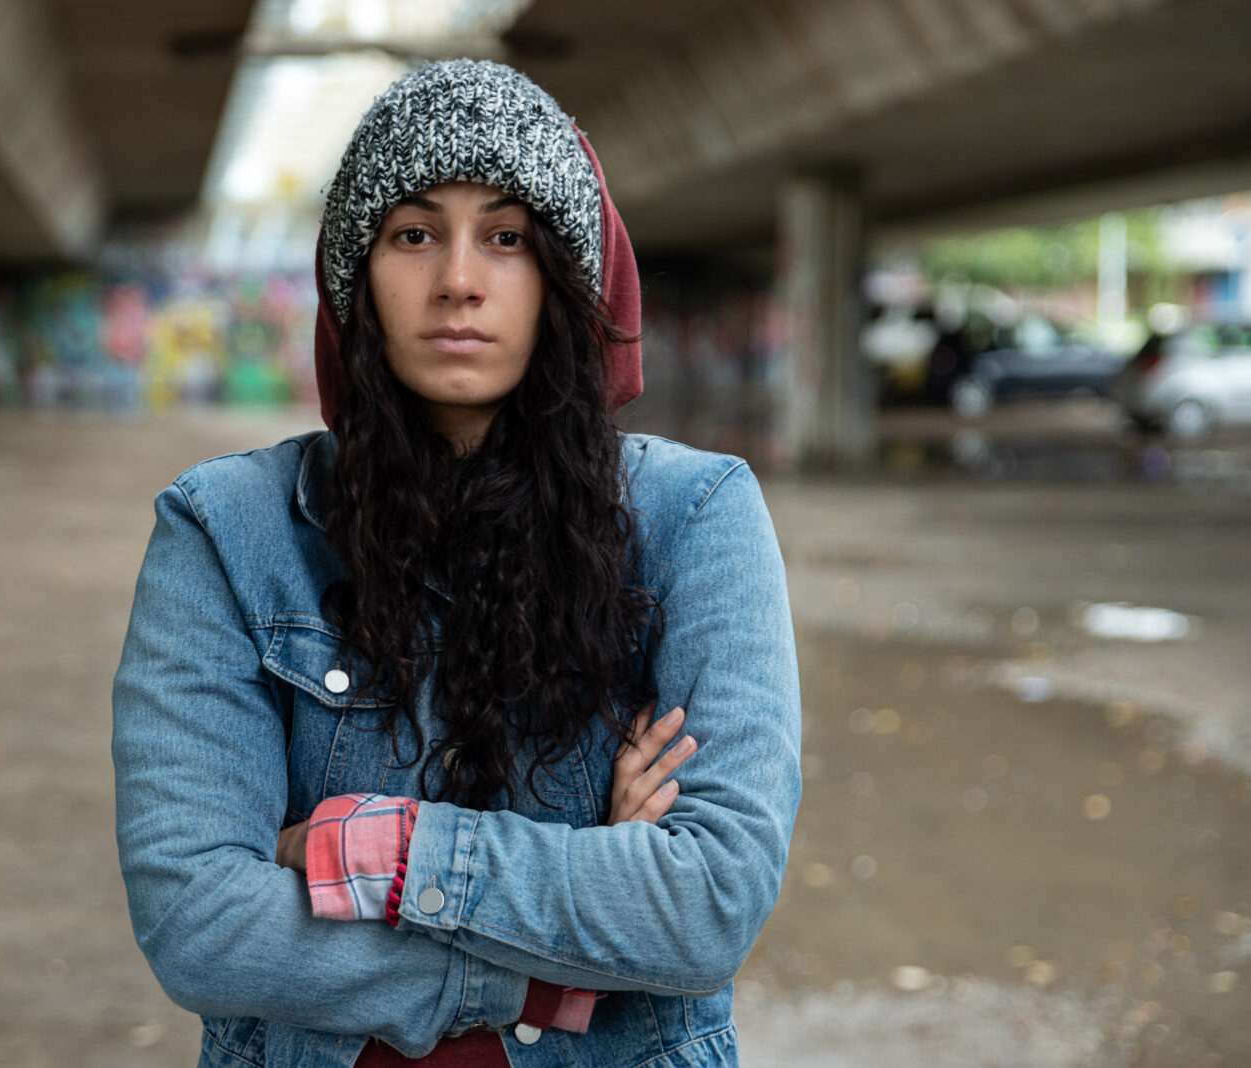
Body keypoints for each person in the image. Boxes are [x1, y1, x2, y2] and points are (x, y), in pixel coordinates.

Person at [112, 59, 801, 1067]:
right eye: (413, 234)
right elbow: (200, 924)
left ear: (565, 276)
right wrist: (552, 956)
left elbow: (708, 906)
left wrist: (374, 852)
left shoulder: (693, 517)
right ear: (358, 276)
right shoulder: (227, 531)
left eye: (508, 237)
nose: (459, 282)